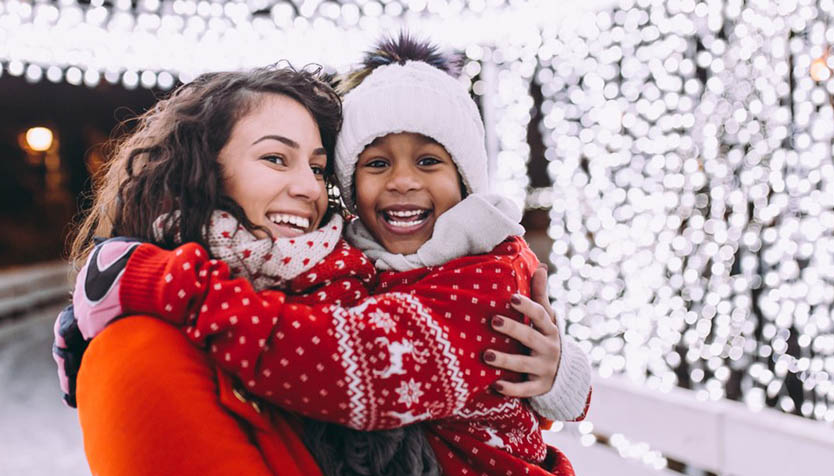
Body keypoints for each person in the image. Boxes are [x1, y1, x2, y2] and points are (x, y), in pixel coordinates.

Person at [61, 36, 590, 476]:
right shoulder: (141, 345)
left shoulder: (385, 277)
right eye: (275, 158)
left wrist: (561, 373)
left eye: (316, 167)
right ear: (201, 169)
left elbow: (361, 363)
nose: (308, 189)